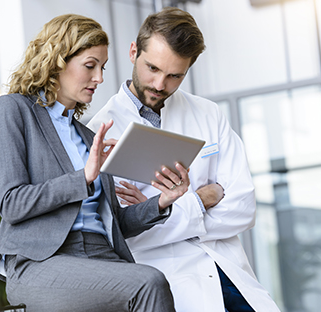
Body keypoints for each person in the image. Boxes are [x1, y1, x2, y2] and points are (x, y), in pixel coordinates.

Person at [0, 13, 190, 311]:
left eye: (103, 67)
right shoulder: (13, 111)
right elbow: (12, 204)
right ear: (57, 61)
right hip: (42, 262)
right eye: (90, 66)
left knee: (152, 283)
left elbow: (116, 222)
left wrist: (162, 201)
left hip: (101, 256)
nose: (100, 78)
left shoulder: (86, 133)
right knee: (148, 282)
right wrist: (83, 177)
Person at [87, 7, 281, 312]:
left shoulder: (208, 114)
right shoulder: (98, 132)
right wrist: (203, 198)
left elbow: (243, 208)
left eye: (174, 75)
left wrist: (157, 211)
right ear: (133, 52)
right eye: (152, 68)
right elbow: (124, 236)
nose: (160, 85)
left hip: (230, 274)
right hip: (173, 285)